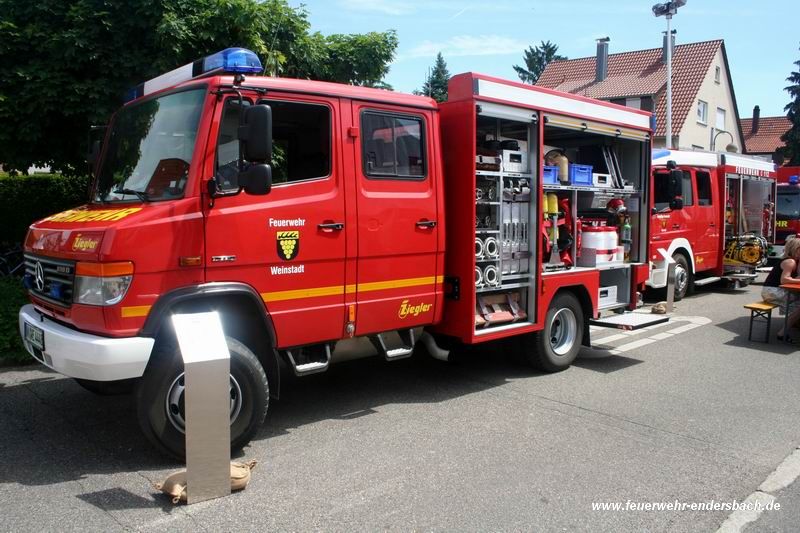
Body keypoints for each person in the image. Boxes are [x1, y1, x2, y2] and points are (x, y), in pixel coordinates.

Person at [762, 236, 800, 340]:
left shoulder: (791, 260)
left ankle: (792, 325)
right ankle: (783, 332)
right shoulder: (790, 262)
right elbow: (784, 280)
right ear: (796, 249)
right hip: (772, 292)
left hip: (771, 291)